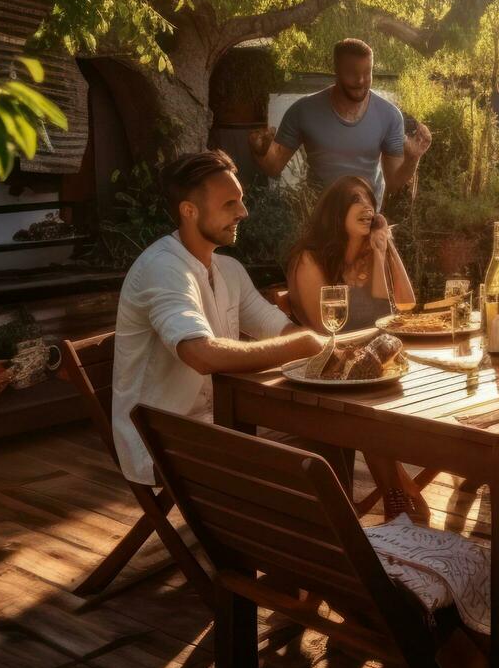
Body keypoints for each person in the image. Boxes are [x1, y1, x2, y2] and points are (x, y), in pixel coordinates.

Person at [109, 150, 332, 488]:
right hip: (160, 439)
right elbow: (201, 354)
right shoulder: (163, 269)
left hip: (221, 421)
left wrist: (318, 346)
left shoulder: (228, 269)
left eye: (240, 201)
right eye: (230, 204)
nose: (243, 212)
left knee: (328, 433)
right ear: (189, 211)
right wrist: (299, 345)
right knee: (306, 463)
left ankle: (384, 520)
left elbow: (276, 326)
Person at [285, 175, 422, 522]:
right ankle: (396, 498)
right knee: (371, 410)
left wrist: (383, 249)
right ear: (336, 211)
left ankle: (397, 499)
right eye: (356, 200)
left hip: (372, 367)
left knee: (394, 394)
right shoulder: (309, 258)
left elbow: (402, 306)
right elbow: (322, 329)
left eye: (370, 200)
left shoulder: (368, 251)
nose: (368, 206)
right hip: (327, 372)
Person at [248, 38, 431, 210]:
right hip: (319, 222)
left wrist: (413, 158)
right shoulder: (303, 111)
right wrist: (261, 151)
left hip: (366, 221)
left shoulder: (389, 115)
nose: (360, 81)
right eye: (352, 74)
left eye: (367, 73)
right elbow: (273, 167)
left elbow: (393, 183)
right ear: (336, 70)